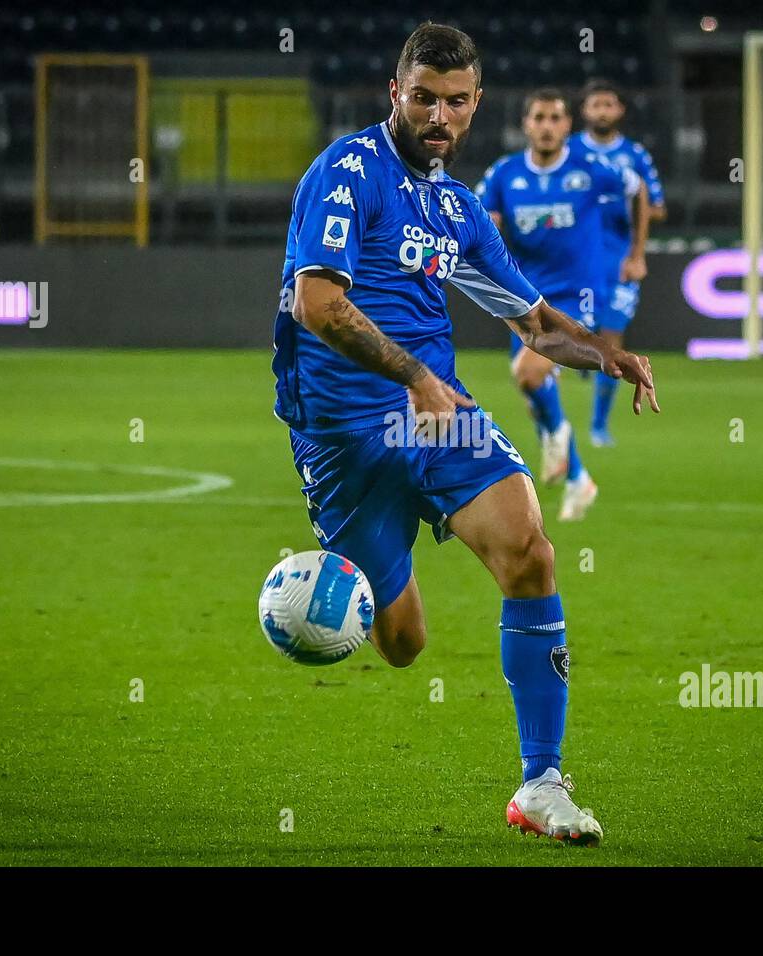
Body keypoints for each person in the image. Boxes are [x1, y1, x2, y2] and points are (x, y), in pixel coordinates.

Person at [271, 22, 659, 845]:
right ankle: (330, 572)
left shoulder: (457, 209)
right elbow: (319, 304)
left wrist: (607, 356)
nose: (438, 116)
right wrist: (413, 375)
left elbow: (533, 320)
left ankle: (540, 784)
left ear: (476, 104)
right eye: (423, 98)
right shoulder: (348, 171)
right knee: (404, 644)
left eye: (455, 102)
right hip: (343, 434)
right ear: (395, 94)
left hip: (439, 419)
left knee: (531, 550)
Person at [476, 88, 648, 520]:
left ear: (568, 125)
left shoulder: (591, 168)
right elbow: (482, 222)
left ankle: (556, 438)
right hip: (526, 295)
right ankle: (576, 477)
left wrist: (636, 252)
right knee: (529, 381)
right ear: (526, 125)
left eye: (555, 117)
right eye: (539, 117)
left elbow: (638, 189)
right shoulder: (504, 174)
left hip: (580, 292)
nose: (548, 126)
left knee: (528, 371)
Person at [569, 78, 664, 443]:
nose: (603, 111)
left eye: (609, 104)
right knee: (576, 325)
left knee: (612, 337)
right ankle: (580, 358)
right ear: (584, 110)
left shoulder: (636, 156)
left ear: (620, 111)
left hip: (619, 258)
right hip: (577, 258)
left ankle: (598, 425)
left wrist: (637, 254)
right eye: (596, 105)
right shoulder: (570, 151)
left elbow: (656, 207)